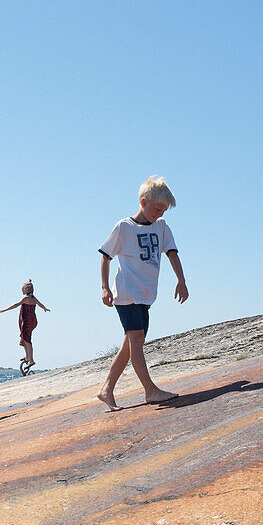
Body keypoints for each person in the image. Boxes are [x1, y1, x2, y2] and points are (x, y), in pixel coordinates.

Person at [97, 176, 189, 411]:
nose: (159, 214)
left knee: (130, 343)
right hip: (126, 294)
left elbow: (172, 253)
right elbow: (106, 256)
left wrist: (181, 280)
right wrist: (105, 287)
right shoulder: (124, 227)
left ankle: (106, 389)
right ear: (143, 201)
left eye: (163, 211)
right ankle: (150, 390)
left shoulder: (162, 227)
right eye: (156, 209)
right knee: (136, 340)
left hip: (145, 296)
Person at [0, 279, 50, 369]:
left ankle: (31, 360)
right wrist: (44, 308)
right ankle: (27, 357)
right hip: (32, 321)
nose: (22, 290)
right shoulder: (33, 298)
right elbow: (40, 304)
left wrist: (4, 310)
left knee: (27, 340)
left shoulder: (27, 298)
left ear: (27, 289)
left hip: (28, 321)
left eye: (23, 289)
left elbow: (16, 304)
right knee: (25, 338)